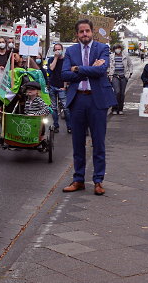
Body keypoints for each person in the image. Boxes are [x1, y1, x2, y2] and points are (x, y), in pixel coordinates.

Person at [61, 19, 116, 196]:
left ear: (92, 32)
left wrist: (77, 69)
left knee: (98, 142)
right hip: (78, 100)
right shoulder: (70, 50)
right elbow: (64, 74)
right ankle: (78, 179)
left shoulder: (102, 48)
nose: (85, 34)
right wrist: (86, 69)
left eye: (87, 31)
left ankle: (98, 181)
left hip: (97, 101)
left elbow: (101, 71)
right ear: (77, 34)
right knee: (78, 143)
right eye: (81, 31)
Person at [47, 43, 71, 133]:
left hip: (61, 87)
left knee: (66, 107)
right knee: (53, 108)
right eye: (56, 49)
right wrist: (56, 58)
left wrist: (64, 87)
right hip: (53, 86)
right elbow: (51, 69)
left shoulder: (66, 60)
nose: (57, 51)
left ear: (62, 50)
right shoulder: (51, 59)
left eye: (59, 49)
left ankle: (69, 126)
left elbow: (66, 74)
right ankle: (56, 125)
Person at [107, 43, 133, 115]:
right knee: (117, 92)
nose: (117, 50)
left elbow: (130, 65)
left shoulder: (125, 56)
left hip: (123, 76)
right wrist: (109, 73)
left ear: (121, 49)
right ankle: (114, 108)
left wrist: (129, 73)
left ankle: (120, 108)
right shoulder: (111, 56)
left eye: (119, 48)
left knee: (122, 93)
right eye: (116, 48)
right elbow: (108, 65)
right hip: (115, 76)